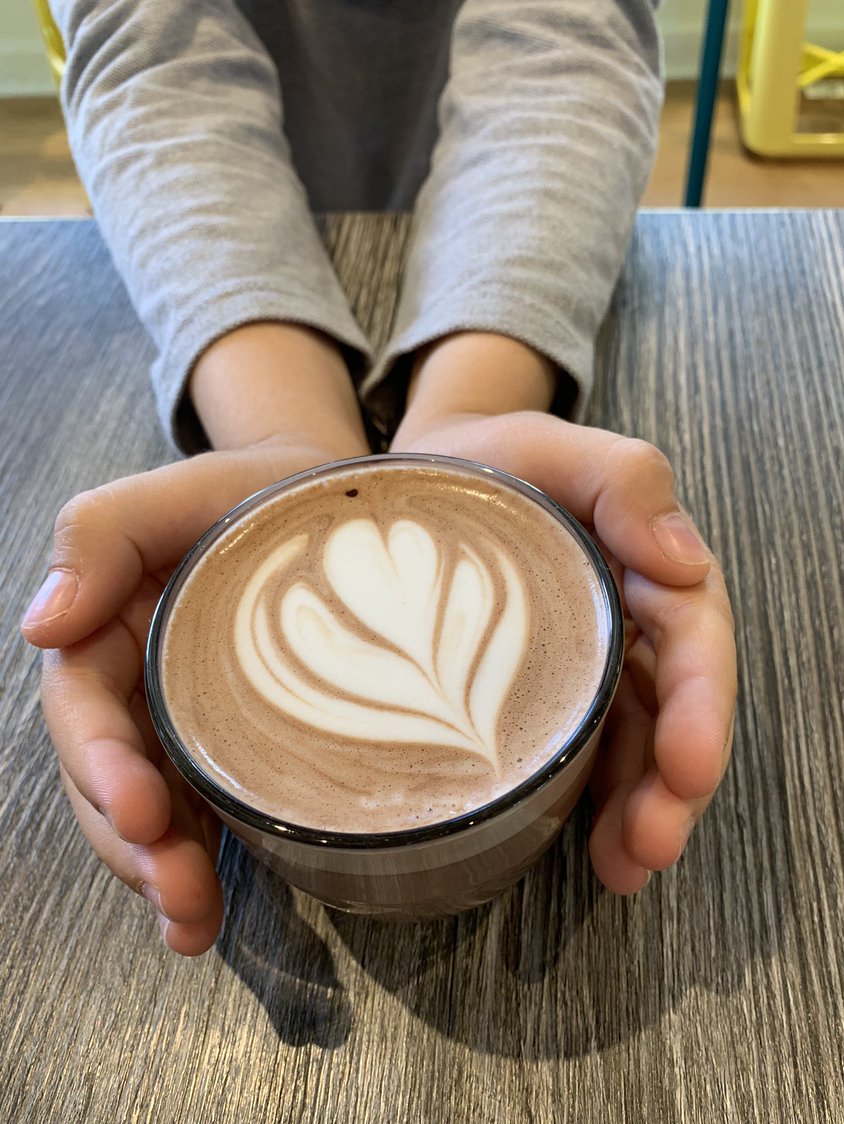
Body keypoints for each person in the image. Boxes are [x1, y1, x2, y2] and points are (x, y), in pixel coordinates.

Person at [21, 0, 737, 956]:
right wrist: (281, 429)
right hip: (208, 250)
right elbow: (151, 53)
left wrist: (468, 411)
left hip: (538, 234)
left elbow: (568, 36)